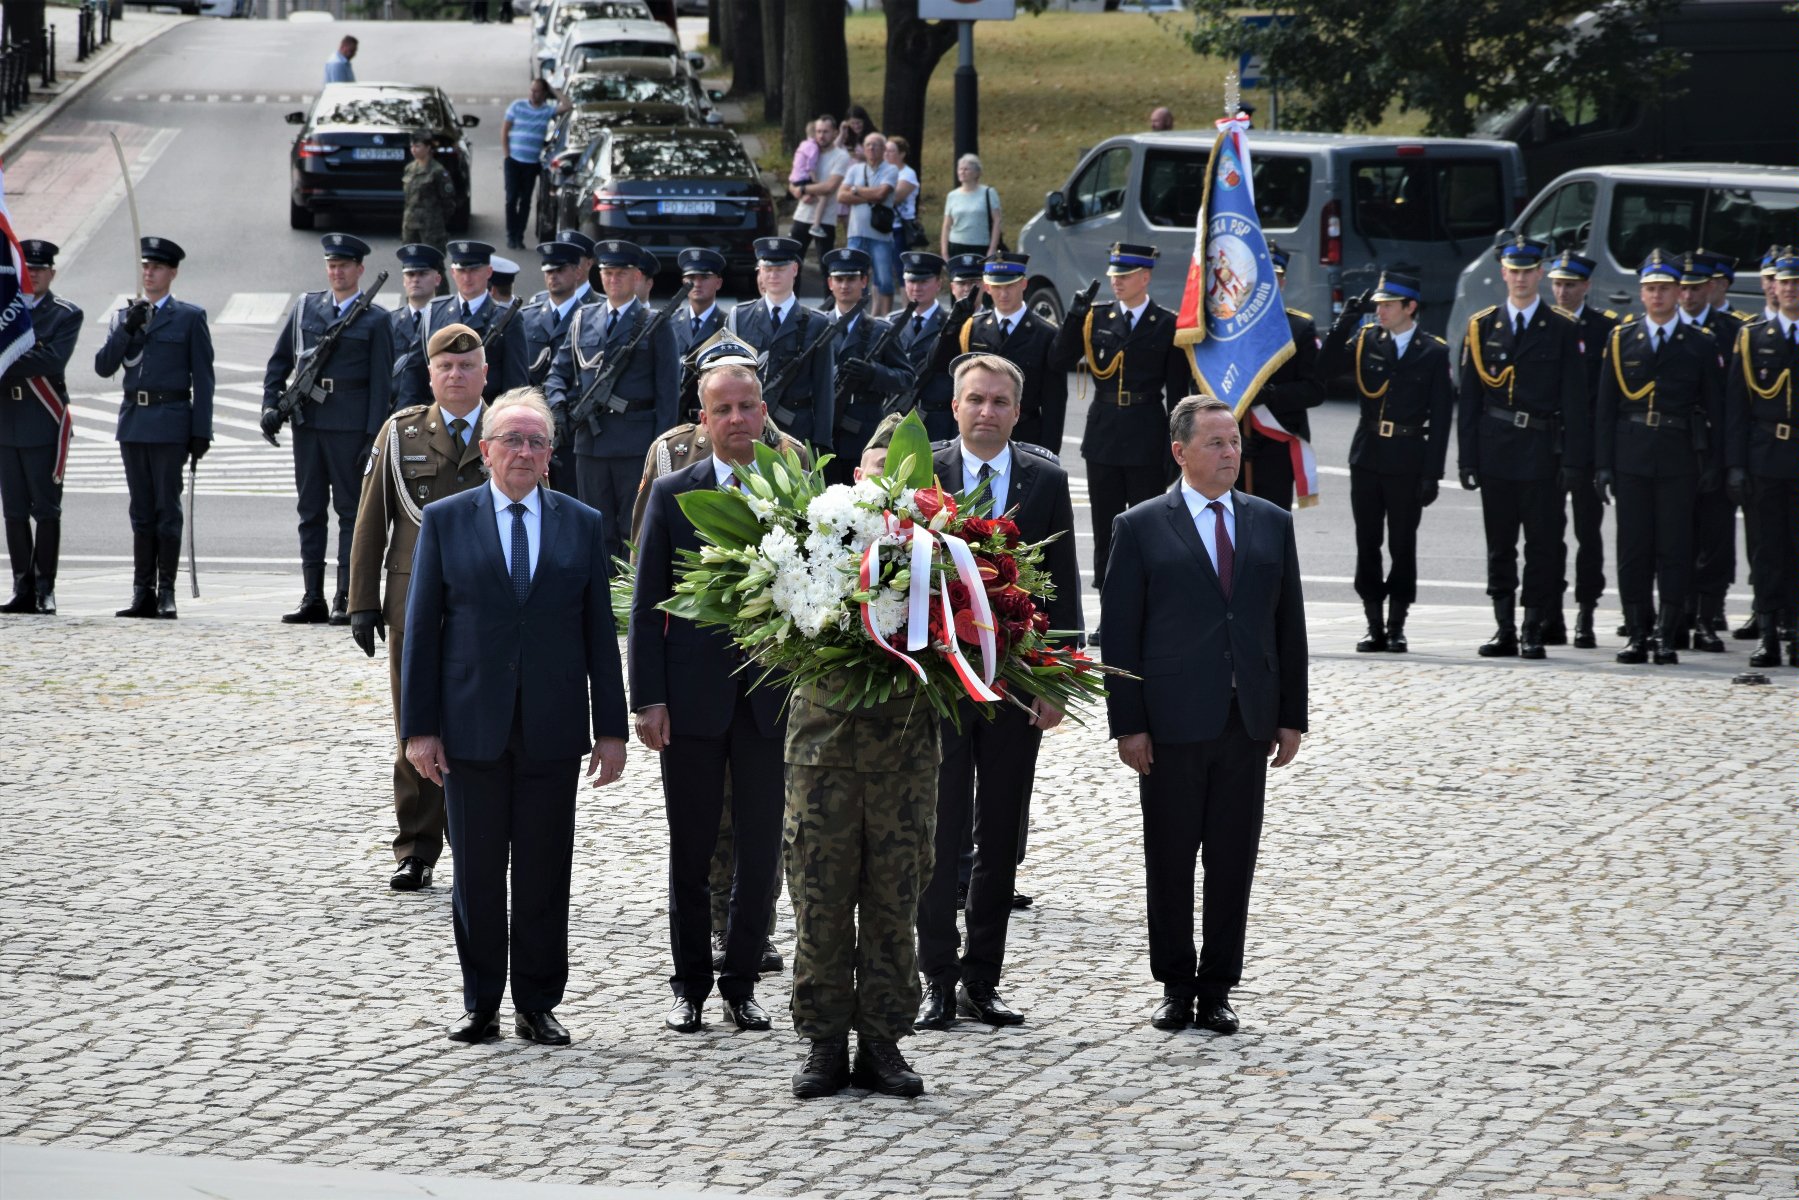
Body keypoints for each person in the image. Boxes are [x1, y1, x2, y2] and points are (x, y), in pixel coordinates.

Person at [401, 388, 628, 1046]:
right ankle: (480, 1004)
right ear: (486, 450)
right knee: (474, 874)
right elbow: (422, 631)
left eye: (536, 442)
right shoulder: (445, 520)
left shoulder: (580, 523)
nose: (524, 451)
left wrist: (609, 730)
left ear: (550, 456)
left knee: (542, 872)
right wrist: (420, 729)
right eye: (512, 440)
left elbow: (597, 635)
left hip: (552, 730)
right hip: (470, 726)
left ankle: (536, 1002)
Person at [1101, 395, 1307, 1037]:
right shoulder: (1139, 526)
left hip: (1245, 720)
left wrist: (1290, 715)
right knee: (1169, 859)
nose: (1229, 453)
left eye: (1235, 443)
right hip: (1169, 724)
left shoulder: (1271, 521)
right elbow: (1120, 633)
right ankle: (1175, 985)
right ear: (1179, 452)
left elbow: (1288, 626)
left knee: (1231, 859)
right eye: (1215, 443)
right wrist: (1127, 723)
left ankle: (1217, 987)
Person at [914, 354, 1082, 1033]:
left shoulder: (1045, 478)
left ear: (1017, 411)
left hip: (1015, 680)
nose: (986, 411)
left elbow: (1064, 582)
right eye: (975, 400)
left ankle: (981, 979)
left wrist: (1060, 678)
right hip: (942, 680)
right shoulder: (921, 471)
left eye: (999, 402)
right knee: (938, 828)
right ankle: (935, 977)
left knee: (999, 834)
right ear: (954, 407)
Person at [631, 359, 788, 1035]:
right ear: (703, 419)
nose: (735, 420)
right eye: (721, 409)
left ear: (762, 412)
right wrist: (648, 699)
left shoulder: (794, 490)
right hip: (691, 702)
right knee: (690, 851)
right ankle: (690, 984)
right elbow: (645, 607)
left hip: (768, 701)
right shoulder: (673, 493)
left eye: (747, 407)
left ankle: (742, 982)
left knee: (759, 854)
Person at [786, 418, 939, 1102]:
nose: (886, 486)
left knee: (892, 902)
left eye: (900, 477)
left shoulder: (941, 554)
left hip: (904, 757)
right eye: (877, 472)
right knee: (819, 900)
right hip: (822, 755)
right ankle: (823, 1041)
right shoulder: (812, 545)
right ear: (856, 481)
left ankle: (882, 1040)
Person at [348, 323, 492, 893]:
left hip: (488, 605)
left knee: (481, 727)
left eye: (467, 367)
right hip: (413, 603)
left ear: (486, 373)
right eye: (446, 368)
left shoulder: (509, 431)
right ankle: (416, 849)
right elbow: (371, 519)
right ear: (430, 375)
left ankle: (476, 842)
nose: (456, 376)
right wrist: (362, 602)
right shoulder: (402, 432)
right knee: (416, 727)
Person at [1457, 235, 1588, 660]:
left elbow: (1574, 401)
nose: (1519, 278)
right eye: (1513, 271)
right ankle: (1504, 628)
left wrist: (1573, 459)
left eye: (1527, 271)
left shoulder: (1563, 328)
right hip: (1496, 449)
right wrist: (1467, 457)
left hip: (1543, 451)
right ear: (1503, 274)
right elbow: (1471, 400)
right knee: (1500, 545)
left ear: (1540, 274)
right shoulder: (1482, 326)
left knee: (1542, 545)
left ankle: (1533, 626)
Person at [1594, 250, 1726, 665]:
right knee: (1633, 548)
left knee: (1674, 547)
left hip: (1678, 456)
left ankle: (1667, 635)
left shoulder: (1700, 344)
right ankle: (1636, 632)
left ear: (1676, 292)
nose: (1657, 296)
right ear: (1641, 293)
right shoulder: (1621, 339)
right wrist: (1602, 464)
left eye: (1665, 289)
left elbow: (1716, 409)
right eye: (1650, 289)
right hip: (1631, 453)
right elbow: (1605, 407)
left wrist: (1715, 464)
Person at [1051, 242, 1194, 628]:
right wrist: (1074, 314)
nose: (1116, 282)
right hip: (1105, 435)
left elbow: (1179, 391)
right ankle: (1110, 611)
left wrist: (1175, 446)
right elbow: (1058, 360)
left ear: (1145, 278)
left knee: (1148, 528)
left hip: (1148, 433)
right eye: (1114, 275)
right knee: (1107, 528)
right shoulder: (1095, 317)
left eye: (1125, 276)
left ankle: (1149, 609)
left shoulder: (1166, 324)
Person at [260, 234, 395, 627]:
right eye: (331, 265)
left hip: (350, 428)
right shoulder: (306, 309)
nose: (337, 272)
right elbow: (278, 363)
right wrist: (270, 404)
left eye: (344, 266)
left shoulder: (376, 319)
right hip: (308, 425)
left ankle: (345, 596)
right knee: (309, 511)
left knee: (351, 514)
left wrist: (372, 436)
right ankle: (312, 596)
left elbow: (381, 386)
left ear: (359, 270)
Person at [1317, 270, 1454, 652]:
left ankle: (1397, 623)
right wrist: (1346, 320)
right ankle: (1373, 622)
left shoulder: (1433, 351)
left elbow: (1441, 420)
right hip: (1368, 454)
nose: (1380, 312)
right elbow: (1324, 368)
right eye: (1377, 305)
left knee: (1402, 543)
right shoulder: (1364, 341)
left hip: (1409, 456)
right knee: (1367, 541)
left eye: (1388, 305)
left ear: (1410, 307)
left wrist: (1433, 474)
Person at [94, 237, 214, 621]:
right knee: (141, 511)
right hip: (134, 422)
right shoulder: (125, 316)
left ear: (172, 273)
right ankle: (141, 591)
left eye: (157, 267)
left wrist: (201, 430)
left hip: (170, 421)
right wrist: (126, 330)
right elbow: (103, 367)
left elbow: (204, 378)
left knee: (166, 510)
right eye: (145, 266)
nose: (149, 272)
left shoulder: (189, 317)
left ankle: (166, 592)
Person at [543, 238, 679, 571]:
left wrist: (661, 451)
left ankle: (629, 603)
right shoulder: (582, 319)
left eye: (621, 273)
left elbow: (668, 394)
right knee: (595, 528)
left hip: (636, 445)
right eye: (607, 272)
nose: (613, 279)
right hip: (589, 445)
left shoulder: (655, 323)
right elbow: (558, 374)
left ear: (637, 278)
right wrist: (558, 406)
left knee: (633, 529)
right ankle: (599, 599)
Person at [1725, 248, 1799, 669]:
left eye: (1796, 283)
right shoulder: (1753, 337)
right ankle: (1769, 633)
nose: (1790, 290)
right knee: (1767, 550)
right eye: (1784, 283)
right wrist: (1735, 465)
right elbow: (1737, 408)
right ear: (1775, 287)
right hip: (1765, 455)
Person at [0, 240, 80, 616]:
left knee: (46, 509)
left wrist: (11, 354)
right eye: (27, 269)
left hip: (41, 420)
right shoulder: (5, 310)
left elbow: (52, 359)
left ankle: (45, 587)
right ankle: (22, 586)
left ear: (51, 272)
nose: (32, 275)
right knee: (13, 510)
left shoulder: (65, 314)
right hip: (6, 421)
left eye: (39, 270)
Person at [1545, 249, 1619, 649]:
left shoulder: (1604, 328)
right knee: (1547, 534)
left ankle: (1586, 612)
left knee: (1587, 534)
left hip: (1587, 446)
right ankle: (1550, 613)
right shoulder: (1543, 324)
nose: (1562, 291)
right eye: (1557, 283)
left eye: (1570, 285)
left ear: (1586, 286)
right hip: (1547, 444)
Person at [1677, 251, 1747, 651]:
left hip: (1716, 445)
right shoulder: (1661, 329)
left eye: (1696, 288)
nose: (1688, 296)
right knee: (1674, 536)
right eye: (1683, 288)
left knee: (1715, 537)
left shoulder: (1733, 332)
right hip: (1675, 446)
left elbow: (1738, 401)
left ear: (1710, 288)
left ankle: (1708, 613)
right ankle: (1679, 610)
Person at [938, 251, 1066, 454]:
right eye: (997, 287)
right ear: (987, 287)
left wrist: (1048, 452)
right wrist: (952, 326)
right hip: (979, 434)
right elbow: (939, 365)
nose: (1003, 294)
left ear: (1023, 284)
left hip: (1026, 434)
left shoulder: (1045, 333)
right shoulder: (973, 328)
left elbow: (1054, 402)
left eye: (1010, 286)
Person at [726, 237, 836, 453]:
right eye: (767, 268)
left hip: (797, 429)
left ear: (794, 269)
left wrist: (821, 441)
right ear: (760, 272)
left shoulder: (817, 322)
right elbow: (729, 378)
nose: (773, 275)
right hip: (749, 427)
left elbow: (824, 390)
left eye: (781, 268)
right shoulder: (740, 317)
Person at [1240, 243, 1324, 512]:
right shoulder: (1228, 328)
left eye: (1272, 278)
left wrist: (1272, 394)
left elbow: (1314, 389)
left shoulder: (1299, 328)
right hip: (1232, 442)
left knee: (1271, 529)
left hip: (1277, 442)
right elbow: (1203, 384)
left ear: (1283, 282)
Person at [398, 241, 529, 410]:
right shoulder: (433, 311)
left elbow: (515, 384)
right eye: (461, 270)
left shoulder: (508, 317)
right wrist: (405, 420)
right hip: (437, 417)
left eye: (474, 270)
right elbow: (414, 374)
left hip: (486, 416)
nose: (467, 278)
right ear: (453, 272)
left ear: (488, 272)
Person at [822, 247, 914, 484]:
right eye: (839, 279)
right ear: (830, 283)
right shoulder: (817, 326)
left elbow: (906, 378)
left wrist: (874, 373)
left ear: (864, 281)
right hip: (825, 429)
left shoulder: (879, 330)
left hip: (864, 430)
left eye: (851, 278)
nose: (845, 285)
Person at [519, 235, 598, 494]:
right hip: (531, 424)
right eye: (548, 270)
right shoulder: (527, 317)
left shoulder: (594, 315)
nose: (553, 276)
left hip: (571, 426)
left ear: (577, 272)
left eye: (560, 270)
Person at [889, 252, 958, 441]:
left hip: (938, 418)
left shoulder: (952, 324)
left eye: (923, 282)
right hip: (899, 414)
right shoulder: (892, 323)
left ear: (938, 283)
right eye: (911, 281)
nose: (916, 287)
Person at [839, 132, 898, 318]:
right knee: (854, 276)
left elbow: (881, 194)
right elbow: (841, 196)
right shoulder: (855, 169)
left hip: (880, 236)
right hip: (856, 234)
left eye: (876, 145)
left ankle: (886, 319)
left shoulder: (891, 170)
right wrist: (868, 193)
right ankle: (855, 317)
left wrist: (855, 191)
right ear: (864, 149)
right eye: (868, 145)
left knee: (884, 280)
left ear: (883, 149)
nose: (871, 148)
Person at [670, 247, 731, 416]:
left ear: (718, 282)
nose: (697, 283)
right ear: (683, 282)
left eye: (704, 277)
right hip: (675, 416)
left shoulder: (729, 325)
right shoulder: (670, 324)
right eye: (691, 278)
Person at [501, 80, 556, 252]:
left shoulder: (547, 110)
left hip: (531, 164)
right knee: (511, 199)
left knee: (525, 201)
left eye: (538, 91)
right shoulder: (517, 106)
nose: (533, 94)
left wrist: (553, 88)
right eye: (532, 90)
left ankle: (519, 236)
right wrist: (507, 154)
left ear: (544, 93)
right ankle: (511, 235)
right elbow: (505, 130)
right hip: (514, 161)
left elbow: (567, 105)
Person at [789, 117, 849, 269]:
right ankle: (792, 294)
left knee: (826, 268)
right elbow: (793, 181)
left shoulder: (841, 156)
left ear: (835, 133)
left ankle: (828, 294)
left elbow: (830, 187)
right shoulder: (809, 149)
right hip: (802, 215)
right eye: (818, 131)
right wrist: (799, 192)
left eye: (826, 132)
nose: (821, 135)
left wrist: (803, 189)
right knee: (792, 266)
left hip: (825, 219)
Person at [390, 243, 445, 394]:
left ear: (437, 279)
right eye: (410, 275)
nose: (415, 280)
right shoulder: (390, 321)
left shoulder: (448, 319)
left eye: (422, 274)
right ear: (403, 280)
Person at [401, 130, 455, 250]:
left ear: (428, 147)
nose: (413, 149)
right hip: (410, 226)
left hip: (431, 228)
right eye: (412, 146)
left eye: (418, 146)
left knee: (433, 262)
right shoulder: (410, 168)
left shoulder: (438, 171)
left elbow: (448, 202)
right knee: (410, 262)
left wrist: (438, 221)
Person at [941, 155, 1001, 260]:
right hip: (956, 246)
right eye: (960, 169)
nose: (962, 172)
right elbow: (946, 226)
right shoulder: (952, 195)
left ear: (976, 173)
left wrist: (992, 248)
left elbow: (997, 221)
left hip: (981, 246)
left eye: (966, 169)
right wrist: (944, 252)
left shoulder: (988, 193)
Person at [885, 136, 920, 286]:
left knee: (902, 271)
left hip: (900, 229)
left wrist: (873, 192)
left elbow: (894, 198)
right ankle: (880, 309)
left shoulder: (908, 174)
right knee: (881, 273)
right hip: (882, 228)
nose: (886, 154)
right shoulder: (882, 172)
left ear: (902, 154)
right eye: (885, 150)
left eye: (891, 151)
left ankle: (908, 308)